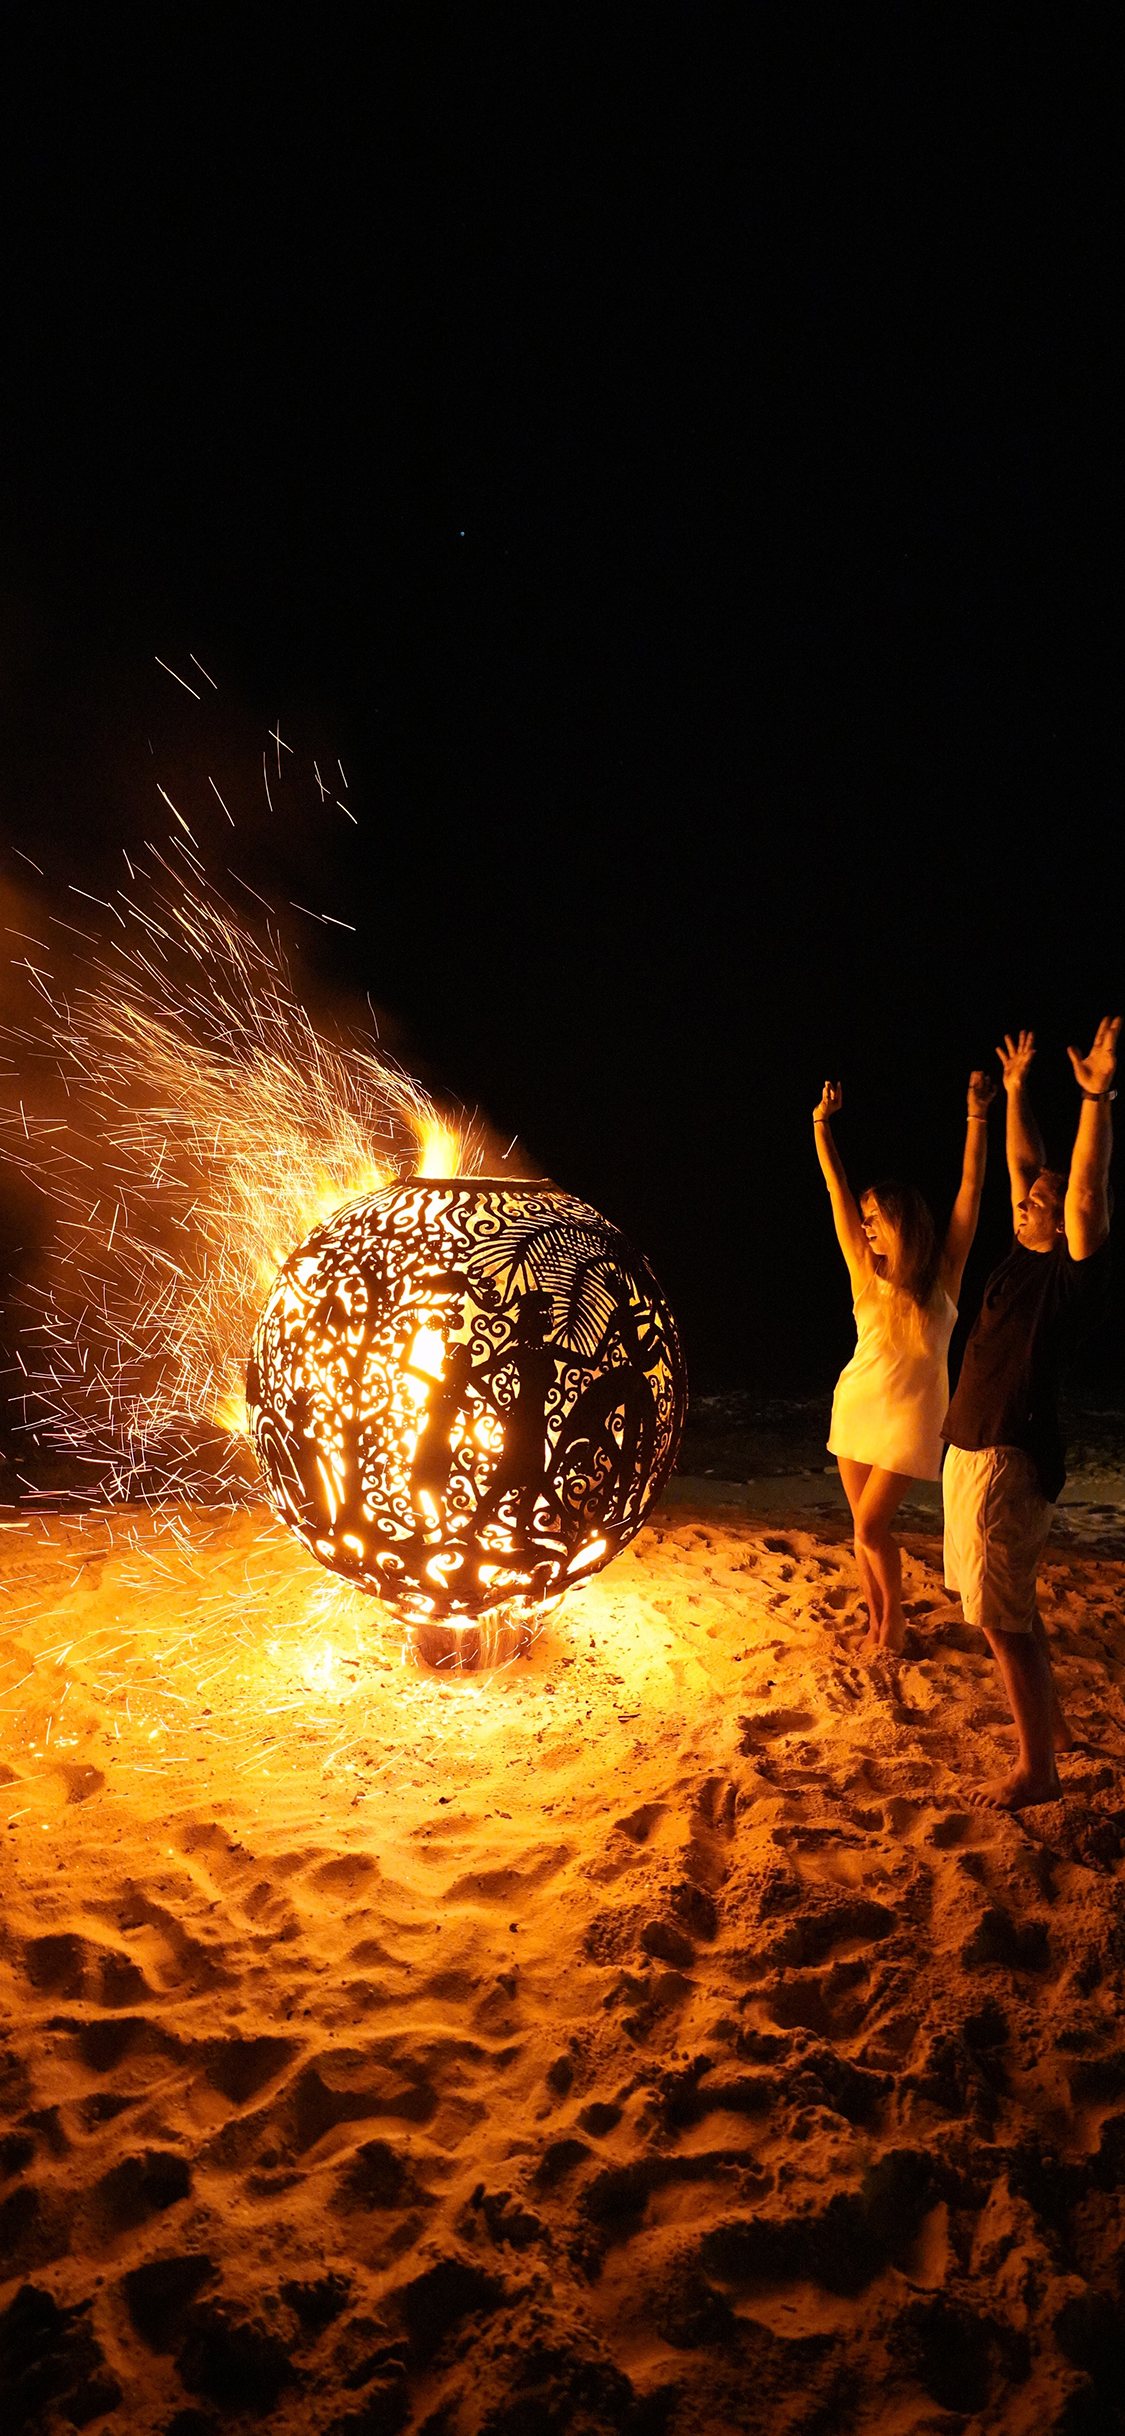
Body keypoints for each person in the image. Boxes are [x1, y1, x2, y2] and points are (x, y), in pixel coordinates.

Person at [942, 1018, 1118, 1809]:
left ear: (1063, 1222)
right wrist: (1015, 1091)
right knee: (1012, 1604)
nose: (1026, 1203)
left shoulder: (1067, 1278)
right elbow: (1026, 1166)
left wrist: (1094, 1099)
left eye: (1038, 1204)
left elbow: (1082, 1188)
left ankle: (1035, 1769)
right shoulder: (1022, 1251)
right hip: (973, 1446)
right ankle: (1057, 1731)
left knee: (1002, 1623)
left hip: (1007, 1454)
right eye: (1026, 1201)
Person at [814, 1068, 996, 1659]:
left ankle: (892, 1620)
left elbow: (971, 1192)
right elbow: (837, 1190)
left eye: (874, 1216)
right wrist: (821, 1124)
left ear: (901, 1220)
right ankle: (876, 1622)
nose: (864, 1224)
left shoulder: (943, 1276)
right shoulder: (864, 1273)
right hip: (857, 1405)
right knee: (861, 1530)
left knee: (871, 1526)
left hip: (912, 1418)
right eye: (863, 1217)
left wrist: (977, 1115)